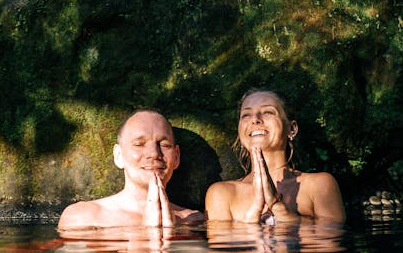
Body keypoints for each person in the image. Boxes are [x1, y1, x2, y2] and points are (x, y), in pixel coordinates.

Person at [205, 89, 345, 224]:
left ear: (292, 129)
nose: (255, 119)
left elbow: (330, 240)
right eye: (246, 115)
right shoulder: (221, 194)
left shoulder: (319, 186)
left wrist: (279, 208)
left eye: (268, 112)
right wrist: (254, 212)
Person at [58, 109, 206, 229]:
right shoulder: (83, 218)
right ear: (119, 156)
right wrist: (146, 237)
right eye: (139, 144)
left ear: (176, 157)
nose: (154, 153)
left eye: (164, 145)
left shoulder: (193, 220)